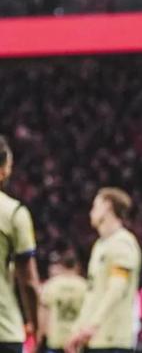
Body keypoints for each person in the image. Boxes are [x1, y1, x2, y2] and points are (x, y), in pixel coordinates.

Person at [65, 188, 142, 353]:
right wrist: (78, 328)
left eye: (95, 206)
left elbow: (117, 289)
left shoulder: (123, 242)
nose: (91, 212)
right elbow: (92, 294)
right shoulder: (100, 245)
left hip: (113, 341)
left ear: (107, 206)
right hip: (94, 340)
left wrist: (92, 326)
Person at [0, 135, 40, 353]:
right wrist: (36, 324)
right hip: (4, 330)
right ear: (3, 170)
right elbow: (29, 282)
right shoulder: (14, 213)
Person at [37, 251, 87, 353]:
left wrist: (40, 336)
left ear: (62, 265)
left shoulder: (50, 285)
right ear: (77, 266)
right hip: (77, 342)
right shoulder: (85, 286)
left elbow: (43, 314)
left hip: (55, 340)